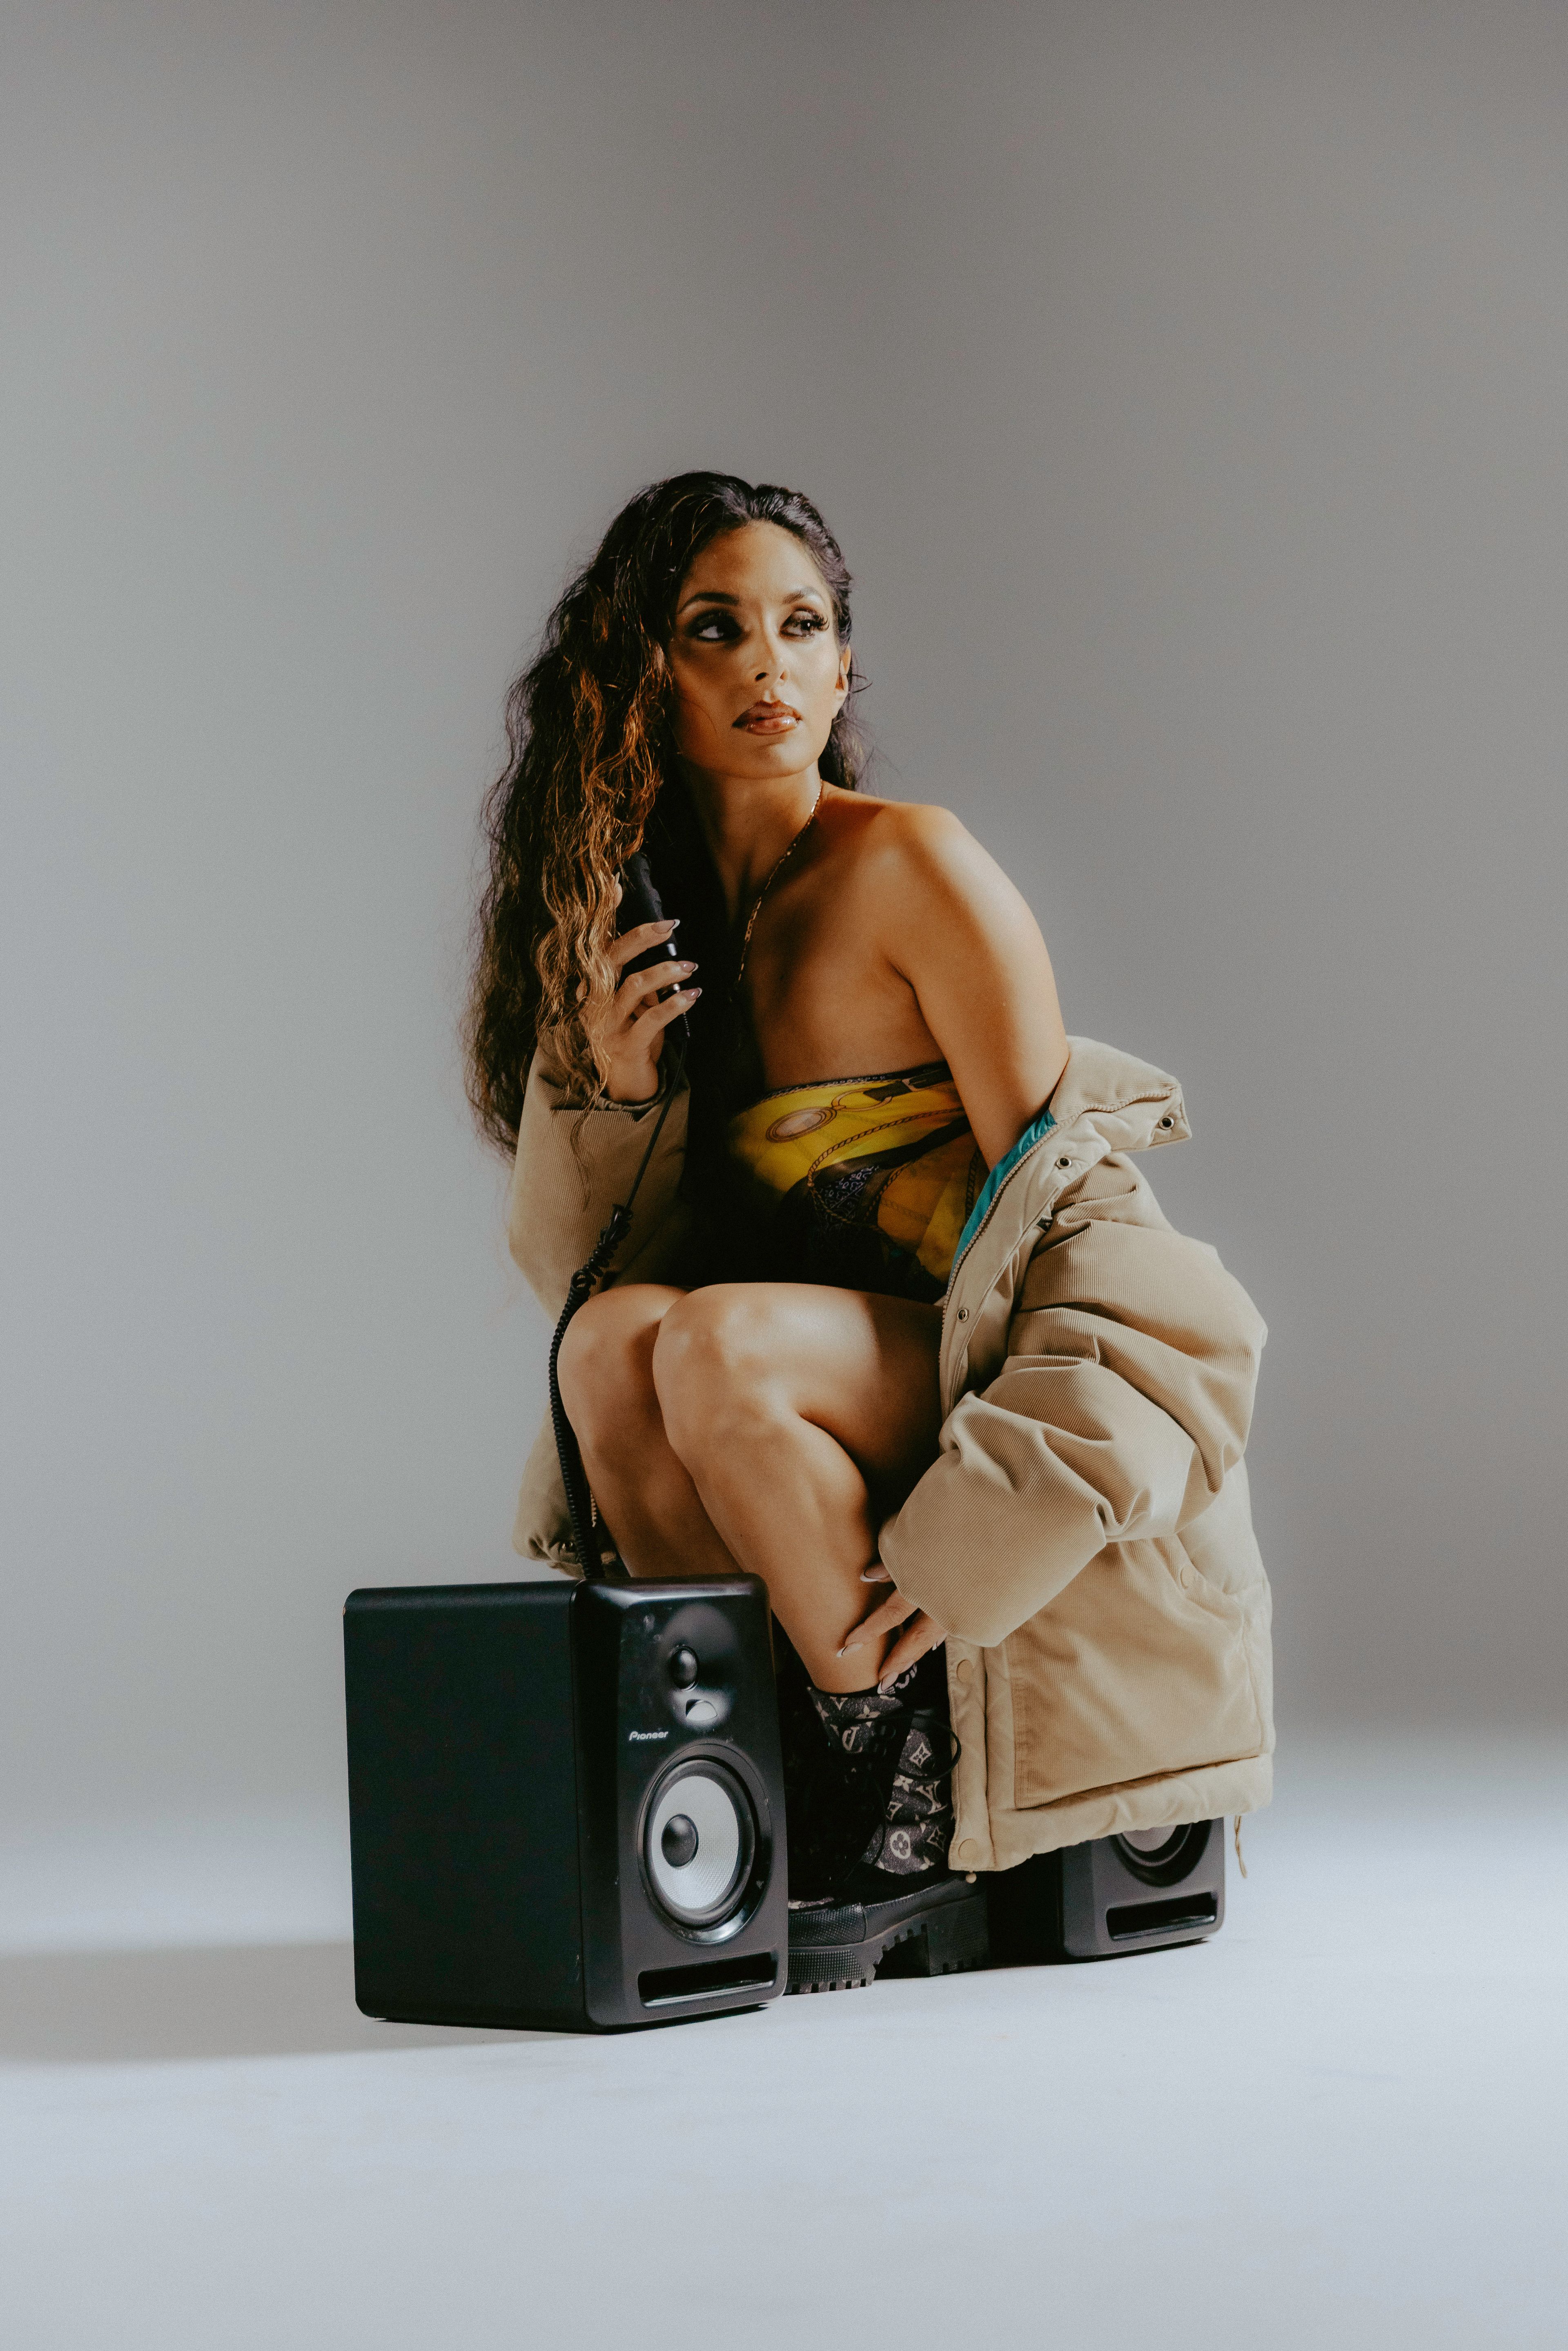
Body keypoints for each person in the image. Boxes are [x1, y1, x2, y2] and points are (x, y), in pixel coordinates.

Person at [467, 472, 1274, 1992]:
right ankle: (768, 1783)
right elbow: (582, 1273)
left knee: (708, 1340)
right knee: (612, 1347)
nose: (769, 663)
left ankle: (887, 1805)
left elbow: (1075, 1208)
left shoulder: (914, 866)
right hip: (795, 1389)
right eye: (719, 628)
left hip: (969, 1375)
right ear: (644, 670)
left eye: (804, 625)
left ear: (845, 672)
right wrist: (619, 1098)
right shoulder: (640, 925)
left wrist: (1011, 1504)